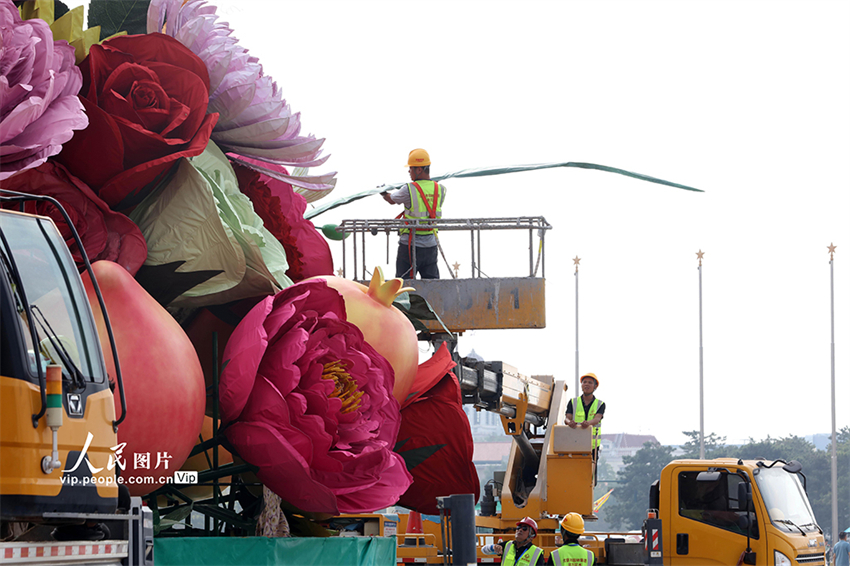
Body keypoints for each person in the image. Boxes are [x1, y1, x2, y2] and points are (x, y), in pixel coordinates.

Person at [382, 148, 446, 279]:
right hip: (431, 244)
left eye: (411, 168)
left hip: (409, 246)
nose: (409, 171)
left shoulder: (409, 189)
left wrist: (382, 191)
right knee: (432, 285)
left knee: (403, 286)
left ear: (419, 170)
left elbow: (391, 199)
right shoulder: (440, 189)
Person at [565, 373, 605, 461]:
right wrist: (569, 422)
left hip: (592, 445)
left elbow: (597, 419)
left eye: (590, 382)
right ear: (581, 385)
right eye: (584, 382)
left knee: (591, 471)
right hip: (575, 442)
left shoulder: (600, 404)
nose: (586, 384)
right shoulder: (573, 402)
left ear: (595, 386)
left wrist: (588, 423)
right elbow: (567, 418)